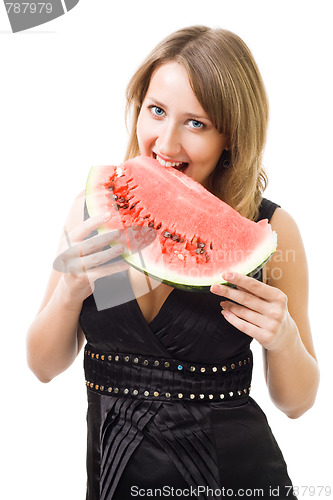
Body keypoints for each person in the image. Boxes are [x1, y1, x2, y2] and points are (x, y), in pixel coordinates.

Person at [27, 25, 319, 500]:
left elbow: (298, 403)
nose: (165, 141)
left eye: (196, 123)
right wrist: (68, 294)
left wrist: (283, 336)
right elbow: (42, 366)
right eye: (156, 111)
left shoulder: (270, 232)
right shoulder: (94, 211)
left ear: (232, 136)